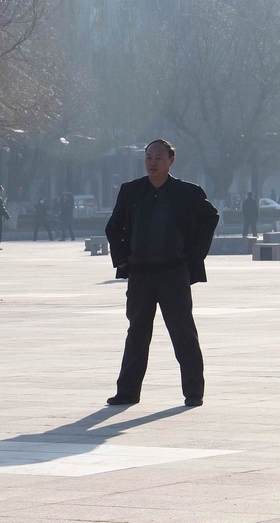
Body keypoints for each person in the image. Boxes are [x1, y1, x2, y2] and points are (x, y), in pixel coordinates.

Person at [105, 139, 219, 408]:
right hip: (141, 274)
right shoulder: (131, 191)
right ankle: (127, 392)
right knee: (137, 333)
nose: (152, 162)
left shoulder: (187, 192)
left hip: (173, 273)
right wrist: (123, 259)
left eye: (158, 157)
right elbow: (114, 227)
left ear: (171, 160)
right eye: (148, 158)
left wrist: (195, 256)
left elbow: (210, 217)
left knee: (183, 332)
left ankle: (193, 392)